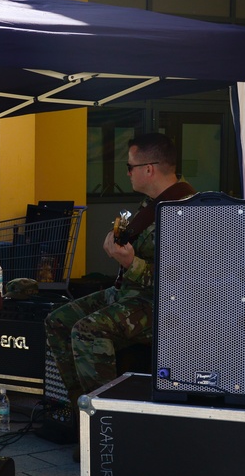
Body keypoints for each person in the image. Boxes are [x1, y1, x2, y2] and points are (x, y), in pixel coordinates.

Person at [45, 132, 197, 415]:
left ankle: (106, 418)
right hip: (129, 294)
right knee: (57, 321)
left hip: (164, 307)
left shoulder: (186, 210)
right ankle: (81, 408)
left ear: (149, 169)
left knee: (86, 330)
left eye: (130, 167)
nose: (126, 173)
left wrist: (131, 264)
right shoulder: (153, 203)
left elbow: (184, 281)